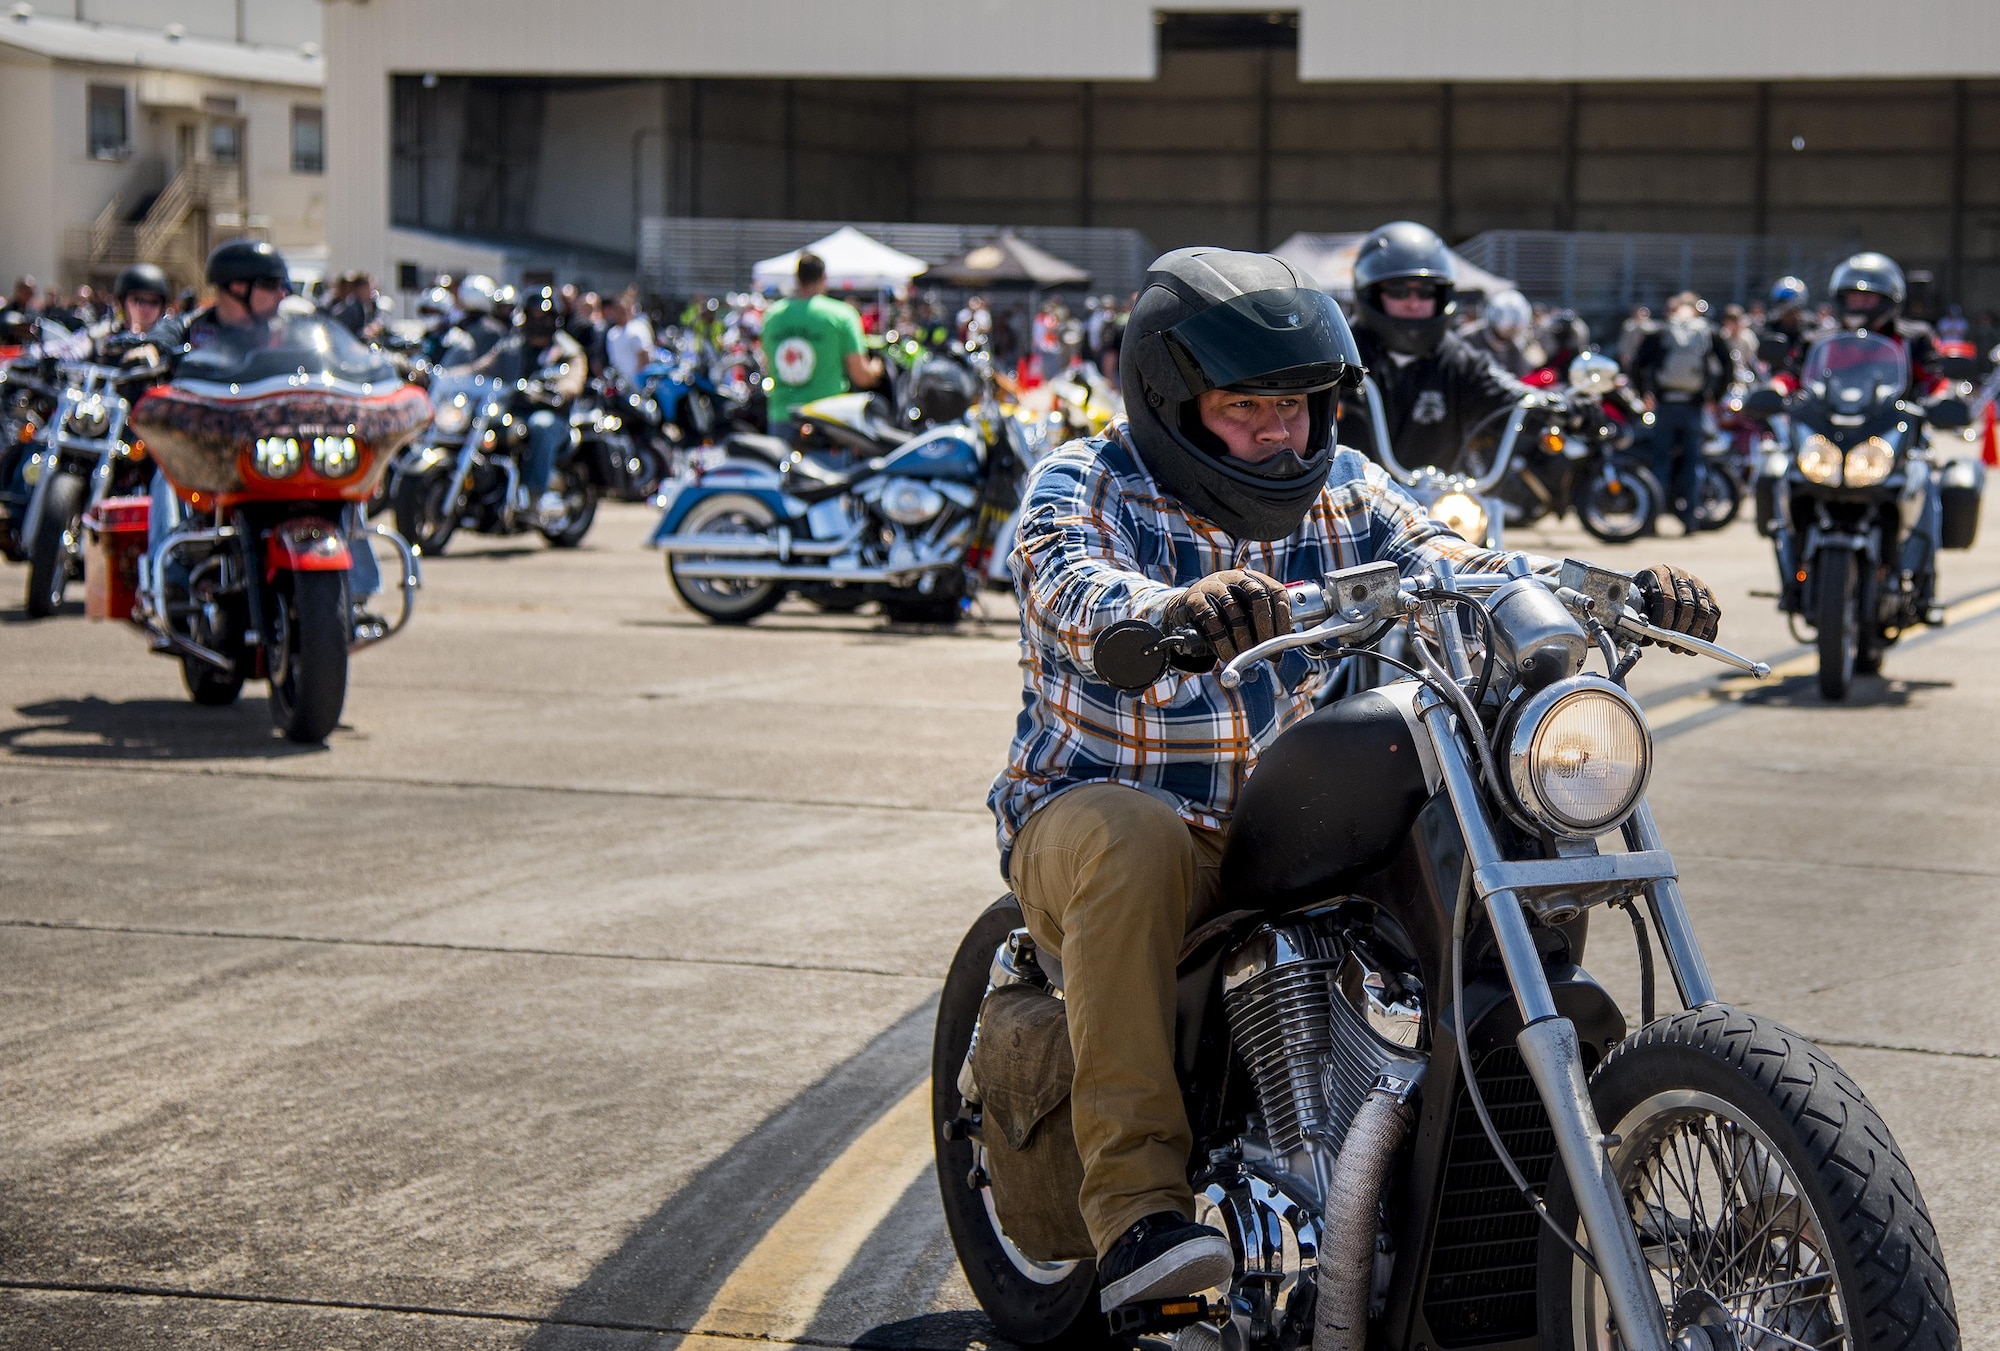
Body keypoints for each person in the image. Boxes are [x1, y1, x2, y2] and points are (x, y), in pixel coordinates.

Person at [990, 245, 1720, 1312]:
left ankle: (1494, 1176)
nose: (1282, 429)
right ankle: (1138, 1217)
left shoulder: (1345, 486)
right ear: (1172, 402)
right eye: (1247, 404)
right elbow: (1069, 579)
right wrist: (1166, 613)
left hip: (1282, 817)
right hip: (1107, 816)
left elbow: (1454, 560)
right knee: (1129, 839)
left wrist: (1607, 592)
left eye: (1301, 400)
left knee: (1476, 802)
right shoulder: (1083, 484)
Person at [1336, 221, 1546, 473]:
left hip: (1432, 504)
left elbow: (1505, 392)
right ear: (1370, 292)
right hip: (1349, 501)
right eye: (1398, 290)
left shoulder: (1457, 359)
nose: (1413, 303)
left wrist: (1559, 407)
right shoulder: (1338, 356)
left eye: (1426, 291)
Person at [468, 286, 586, 525]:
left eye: (542, 316)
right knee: (480, 419)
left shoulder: (566, 348)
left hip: (551, 413)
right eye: (532, 315)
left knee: (541, 426)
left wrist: (563, 388)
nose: (537, 321)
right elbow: (481, 367)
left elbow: (575, 376)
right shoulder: (511, 346)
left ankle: (534, 495)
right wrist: (448, 376)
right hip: (514, 410)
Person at [1628, 291, 1733, 533]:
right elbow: (1728, 364)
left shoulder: (1661, 331)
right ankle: (1690, 522)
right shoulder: (1706, 331)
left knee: (1660, 462)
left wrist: (1645, 393)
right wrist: (1714, 397)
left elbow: (1637, 364)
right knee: (1693, 463)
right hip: (1693, 406)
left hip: (1665, 405)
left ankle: (1651, 521)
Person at [758, 251, 881, 442]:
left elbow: (767, 364)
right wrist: (877, 370)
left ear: (797, 279)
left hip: (782, 417)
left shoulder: (772, 315)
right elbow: (861, 376)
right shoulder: (841, 315)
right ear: (824, 278)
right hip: (826, 420)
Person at [1462, 287, 1534, 376]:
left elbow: (1522, 375)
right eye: (1508, 327)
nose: (1511, 331)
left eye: (1514, 328)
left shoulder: (1517, 344)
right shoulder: (1469, 338)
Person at [1758, 276, 1819, 380]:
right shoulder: (1770, 327)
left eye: (1793, 306)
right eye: (1783, 303)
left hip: (1806, 378)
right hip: (1776, 379)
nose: (1788, 311)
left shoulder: (1811, 327)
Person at [603, 290, 656, 385]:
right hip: (621, 384)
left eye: (624, 310)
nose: (621, 314)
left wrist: (639, 380)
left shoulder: (638, 329)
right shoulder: (612, 333)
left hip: (637, 382)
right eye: (618, 311)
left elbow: (644, 358)